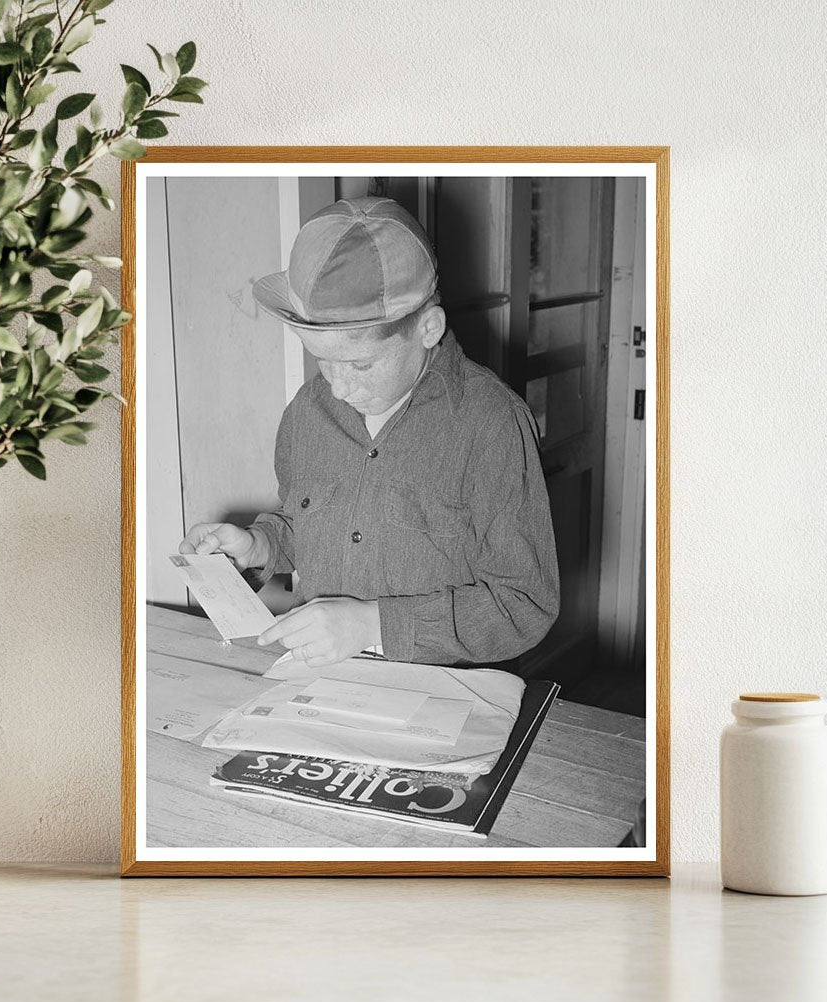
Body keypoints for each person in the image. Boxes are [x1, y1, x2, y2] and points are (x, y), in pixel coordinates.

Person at [181, 196, 559, 669]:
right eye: (322, 360)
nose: (337, 389)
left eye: (361, 364)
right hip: (325, 684)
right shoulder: (307, 412)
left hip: (445, 697)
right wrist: (259, 546)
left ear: (428, 329)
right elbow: (313, 526)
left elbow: (524, 603)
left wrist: (371, 624)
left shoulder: (491, 423)